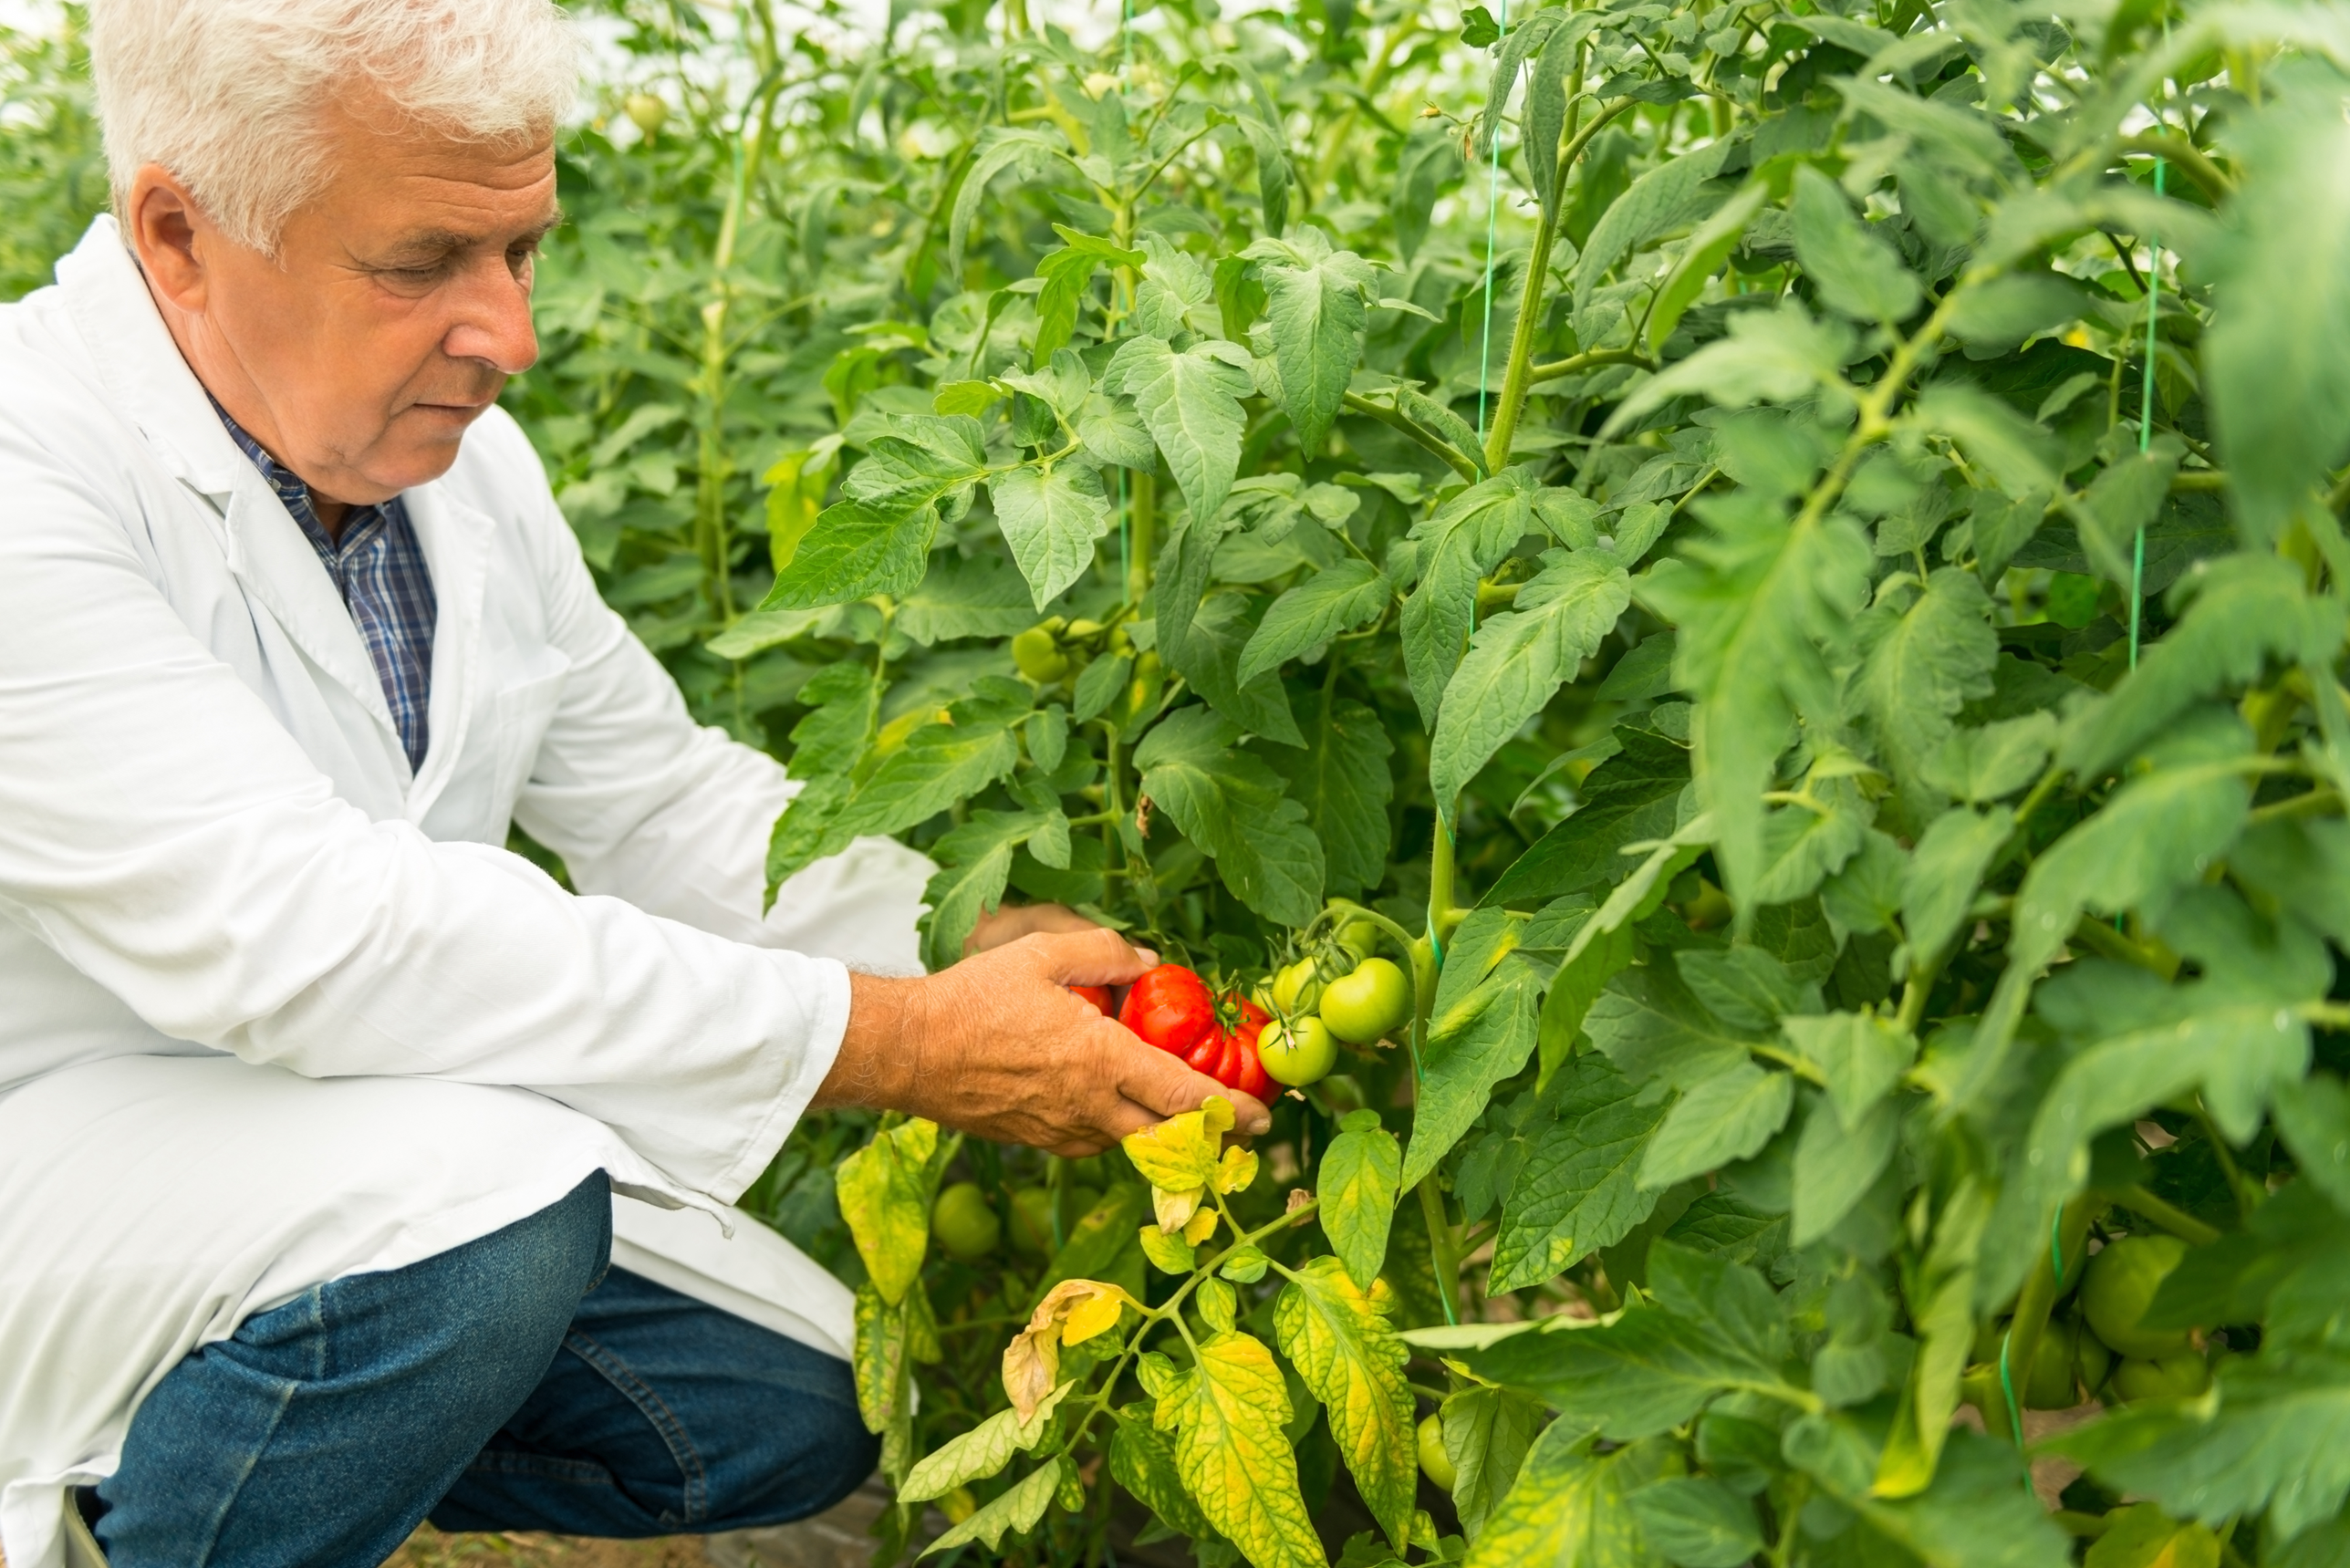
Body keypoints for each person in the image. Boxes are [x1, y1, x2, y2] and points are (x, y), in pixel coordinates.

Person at [0, 4, 1269, 1565]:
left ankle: (266, 1438)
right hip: (55, 1161)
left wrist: (962, 944)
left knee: (787, 1407)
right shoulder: (27, 474)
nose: (509, 335)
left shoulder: (460, 474)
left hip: (334, 1150)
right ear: (182, 237)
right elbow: (320, 935)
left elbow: (658, 802)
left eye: (519, 251)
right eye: (422, 265)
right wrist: (905, 1043)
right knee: (481, 1235)